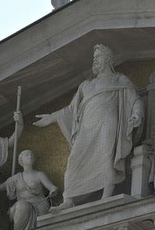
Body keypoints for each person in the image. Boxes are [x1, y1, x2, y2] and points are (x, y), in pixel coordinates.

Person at [34, 44, 143, 206]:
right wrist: (51, 117)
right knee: (73, 159)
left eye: (98, 57)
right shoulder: (85, 85)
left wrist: (136, 115)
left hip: (108, 121)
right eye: (94, 58)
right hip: (86, 127)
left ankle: (106, 196)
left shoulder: (119, 79)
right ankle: (68, 199)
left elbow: (135, 99)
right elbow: (71, 110)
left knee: (107, 155)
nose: (95, 60)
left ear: (107, 58)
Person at [0, 150, 59, 230]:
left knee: (23, 206)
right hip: (22, 205)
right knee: (23, 205)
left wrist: (53, 190)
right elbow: (0, 187)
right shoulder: (16, 178)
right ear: (21, 160)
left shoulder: (39, 174)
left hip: (39, 204)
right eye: (27, 155)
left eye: (31, 155)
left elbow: (52, 187)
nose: (30, 156)